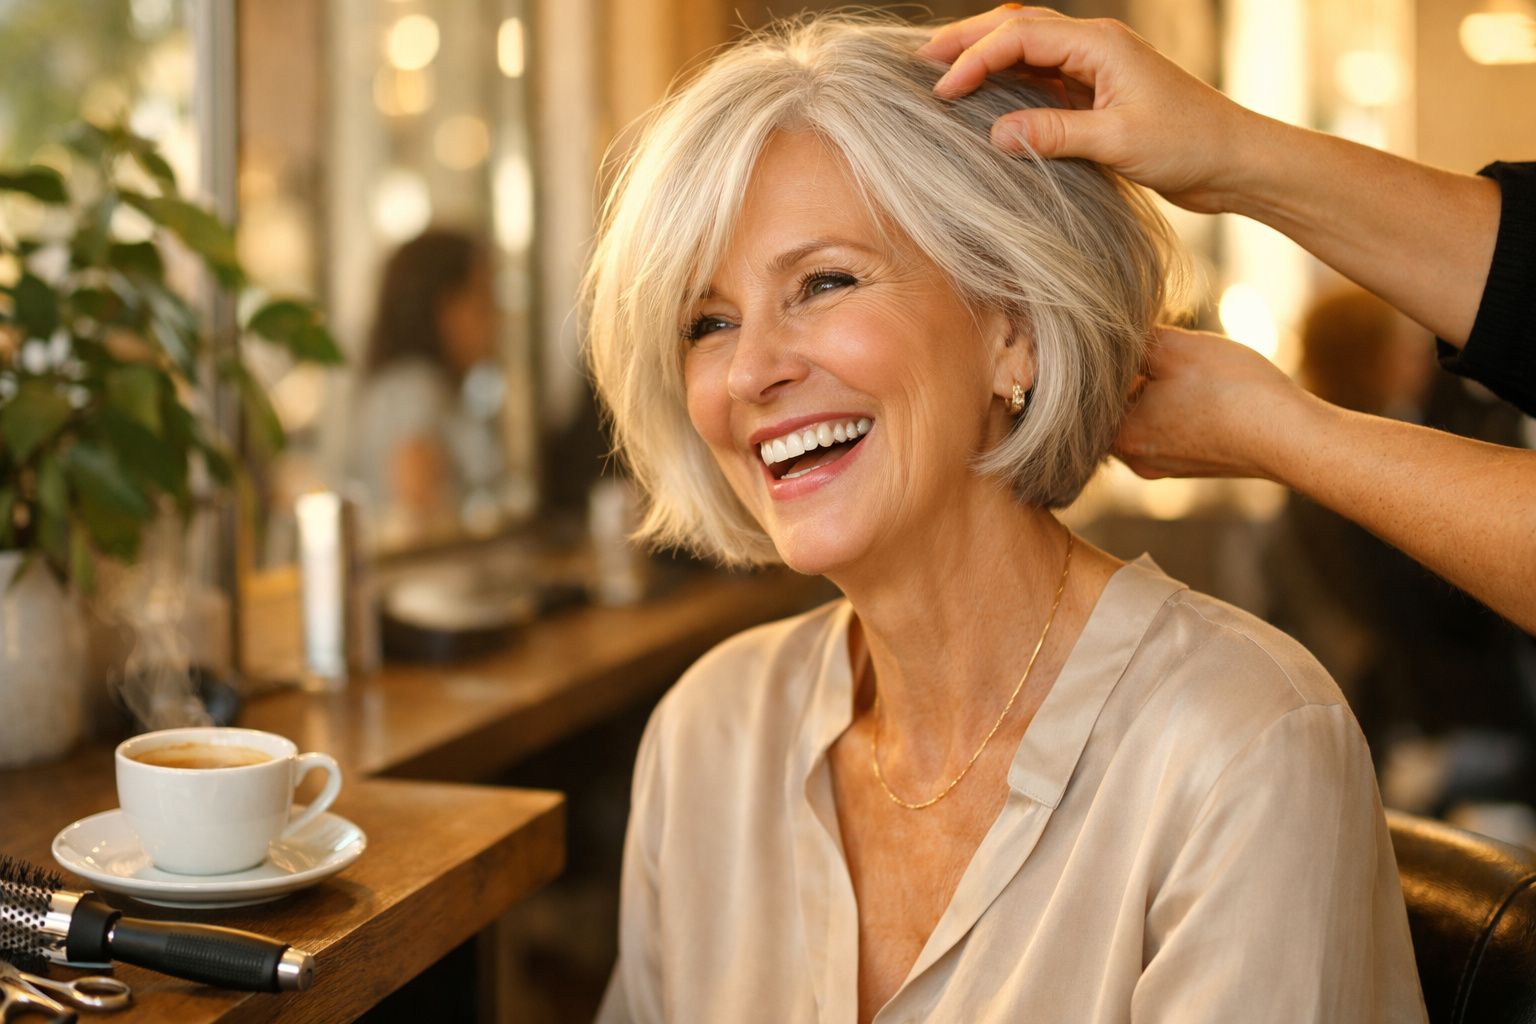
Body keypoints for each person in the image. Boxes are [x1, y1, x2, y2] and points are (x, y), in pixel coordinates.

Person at [586, 13, 1424, 1023]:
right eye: (707, 323)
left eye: (823, 283)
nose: (752, 370)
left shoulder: (1243, 746)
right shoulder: (707, 738)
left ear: (1013, 328)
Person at [921, 5, 1536, 633]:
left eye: (832, 282)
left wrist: (1280, 430)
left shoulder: (1241, 717)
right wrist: (1230, 149)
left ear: (1015, 334)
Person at [350, 229, 502, 545]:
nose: (496, 317)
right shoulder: (414, 389)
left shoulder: (415, 386)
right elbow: (418, 515)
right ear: (443, 309)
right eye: (483, 297)